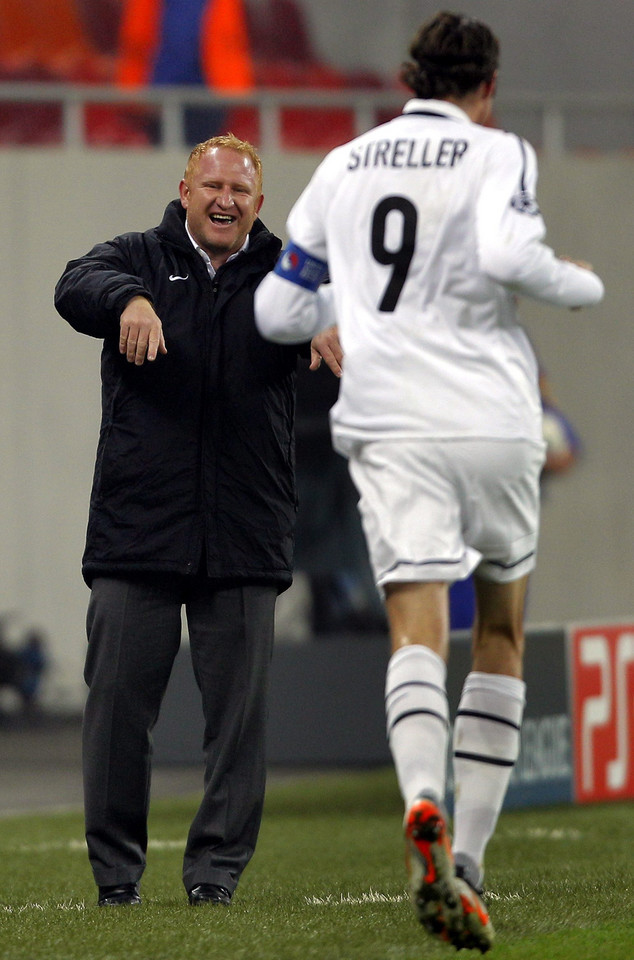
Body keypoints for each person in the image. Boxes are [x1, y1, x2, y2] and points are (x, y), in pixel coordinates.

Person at [254, 11, 604, 953]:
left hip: (389, 423)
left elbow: (278, 309)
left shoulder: (342, 165)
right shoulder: (499, 155)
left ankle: (419, 799)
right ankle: (472, 863)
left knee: (417, 625)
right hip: (492, 418)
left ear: (408, 78)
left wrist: (338, 305)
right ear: (485, 89)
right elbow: (510, 259)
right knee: (498, 629)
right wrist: (580, 284)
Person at [54, 133, 334, 909]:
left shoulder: (293, 272)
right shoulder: (136, 258)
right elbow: (75, 284)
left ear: (259, 203)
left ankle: (215, 874)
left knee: (237, 726)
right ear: (184, 191)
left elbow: (355, 305)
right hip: (137, 531)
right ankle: (117, 878)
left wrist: (329, 318)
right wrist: (129, 300)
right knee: (114, 712)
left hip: (243, 531)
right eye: (211, 185)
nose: (224, 200)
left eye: (240, 191)